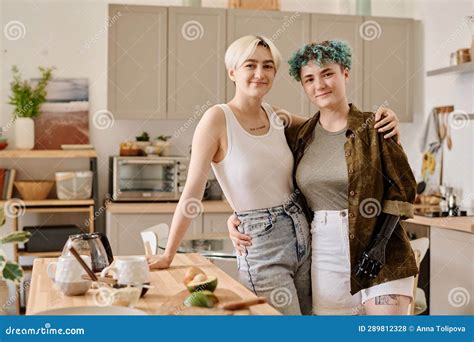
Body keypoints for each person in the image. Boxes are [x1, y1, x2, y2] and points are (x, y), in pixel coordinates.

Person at [148, 35, 402, 315]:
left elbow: (332, 127)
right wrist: (169, 252)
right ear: (232, 71)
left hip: (305, 235)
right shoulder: (216, 119)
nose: (260, 73)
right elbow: (192, 192)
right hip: (262, 242)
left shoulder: (277, 117)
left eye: (268, 66)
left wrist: (383, 120)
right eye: (250, 65)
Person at [228, 40, 418, 315]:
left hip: (383, 250)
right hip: (325, 250)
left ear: (345, 73)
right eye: (309, 79)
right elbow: (259, 177)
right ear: (303, 86)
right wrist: (238, 215)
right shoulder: (299, 136)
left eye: (327, 73)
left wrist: (377, 248)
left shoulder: (375, 126)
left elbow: (403, 191)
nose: (320, 84)